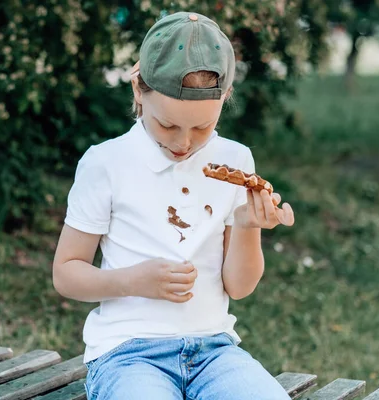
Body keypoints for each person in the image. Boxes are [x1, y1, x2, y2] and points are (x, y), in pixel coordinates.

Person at [52, 11, 295, 400]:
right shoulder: (106, 163)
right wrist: (133, 281)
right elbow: (66, 273)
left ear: (224, 99)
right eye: (167, 125)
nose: (184, 143)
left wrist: (248, 226)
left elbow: (240, 286)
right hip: (128, 354)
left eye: (202, 128)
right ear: (138, 90)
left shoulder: (236, 161)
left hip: (215, 351)